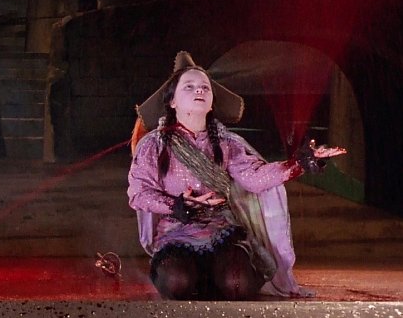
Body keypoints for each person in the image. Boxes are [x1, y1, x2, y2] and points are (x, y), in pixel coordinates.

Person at [127, 51, 345, 300]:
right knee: (178, 282)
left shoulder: (227, 143)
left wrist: (298, 164)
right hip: (176, 234)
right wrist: (175, 205)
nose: (199, 90)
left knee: (237, 283)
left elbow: (255, 177)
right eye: (189, 86)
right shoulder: (153, 145)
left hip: (221, 233)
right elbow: (139, 193)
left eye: (205, 87)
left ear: (211, 102)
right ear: (172, 101)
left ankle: (214, 278)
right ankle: (196, 278)